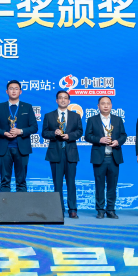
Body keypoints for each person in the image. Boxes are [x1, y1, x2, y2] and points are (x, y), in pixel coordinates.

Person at [0, 80, 38, 192]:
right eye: (11, 88)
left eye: (16, 88)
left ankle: (22, 204)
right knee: (4, 182)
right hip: (4, 148)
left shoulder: (27, 107)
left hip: (22, 148)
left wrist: (20, 131)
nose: (14, 91)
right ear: (7, 91)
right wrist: (4, 133)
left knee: (21, 182)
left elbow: (34, 127)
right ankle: (5, 204)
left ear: (20, 91)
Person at [84, 95, 126, 219]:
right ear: (98, 106)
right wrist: (99, 139)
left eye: (108, 103)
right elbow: (87, 136)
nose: (106, 106)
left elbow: (123, 135)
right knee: (99, 185)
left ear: (111, 105)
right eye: (103, 103)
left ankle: (111, 210)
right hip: (99, 157)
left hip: (114, 157)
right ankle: (100, 210)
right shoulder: (92, 120)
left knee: (112, 186)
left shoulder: (118, 120)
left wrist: (118, 142)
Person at [43, 90, 83, 219]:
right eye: (60, 98)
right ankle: (58, 209)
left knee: (71, 182)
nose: (63, 100)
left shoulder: (75, 116)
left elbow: (80, 132)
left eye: (65, 98)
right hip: (55, 153)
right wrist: (54, 133)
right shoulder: (49, 116)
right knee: (57, 183)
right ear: (56, 100)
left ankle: (73, 209)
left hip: (71, 153)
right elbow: (44, 133)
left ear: (69, 101)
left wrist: (69, 136)